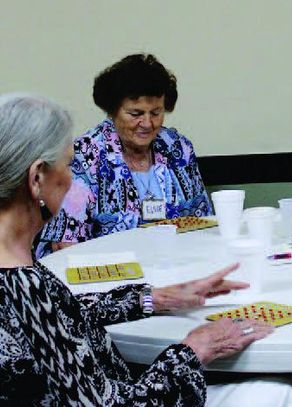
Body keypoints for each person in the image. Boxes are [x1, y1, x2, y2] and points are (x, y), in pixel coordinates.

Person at [0, 93, 292, 406]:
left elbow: (65, 316)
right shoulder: (26, 287)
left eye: (156, 112)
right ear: (37, 177)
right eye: (68, 165)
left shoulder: (18, 271)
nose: (71, 178)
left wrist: (153, 298)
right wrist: (193, 350)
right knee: (284, 395)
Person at [36, 54, 212, 258]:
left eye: (156, 113)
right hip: (109, 277)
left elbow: (204, 226)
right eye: (136, 114)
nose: (147, 123)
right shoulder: (86, 156)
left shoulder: (178, 149)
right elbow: (65, 243)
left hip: (178, 268)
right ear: (113, 111)